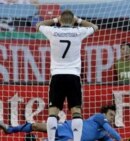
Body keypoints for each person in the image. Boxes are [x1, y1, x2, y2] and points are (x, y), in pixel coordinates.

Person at [36, 10, 98, 141]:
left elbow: (38, 25)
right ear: (73, 20)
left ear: (60, 20)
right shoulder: (78, 32)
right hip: (73, 76)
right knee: (76, 110)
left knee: (53, 111)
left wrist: (54, 20)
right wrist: (79, 21)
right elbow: (95, 27)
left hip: (57, 75)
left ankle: (51, 139)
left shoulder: (53, 31)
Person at [0, 105, 128, 141]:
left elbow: (109, 138)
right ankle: (10, 129)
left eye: (114, 116)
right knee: (36, 126)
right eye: (111, 114)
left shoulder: (104, 134)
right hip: (67, 127)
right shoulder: (100, 117)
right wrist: (120, 139)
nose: (112, 118)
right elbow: (113, 132)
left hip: (72, 137)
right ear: (105, 114)